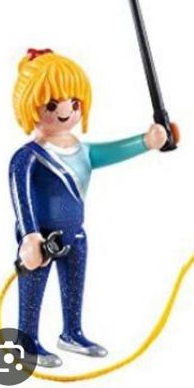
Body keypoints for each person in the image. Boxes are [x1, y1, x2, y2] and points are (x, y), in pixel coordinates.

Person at [10, 48, 169, 367]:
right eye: (52, 105)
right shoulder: (27, 157)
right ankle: (26, 342)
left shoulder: (82, 151)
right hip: (42, 240)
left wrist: (146, 141)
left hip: (76, 236)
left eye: (74, 102)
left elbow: (111, 152)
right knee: (33, 289)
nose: (65, 111)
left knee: (74, 287)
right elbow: (21, 200)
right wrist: (29, 237)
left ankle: (72, 332)